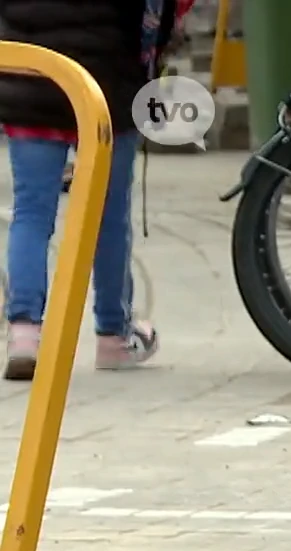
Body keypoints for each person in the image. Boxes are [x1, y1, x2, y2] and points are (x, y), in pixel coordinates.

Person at [0, 0, 194, 381]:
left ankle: (23, 335)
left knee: (32, 212)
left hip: (31, 82)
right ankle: (113, 335)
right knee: (108, 215)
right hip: (108, 83)